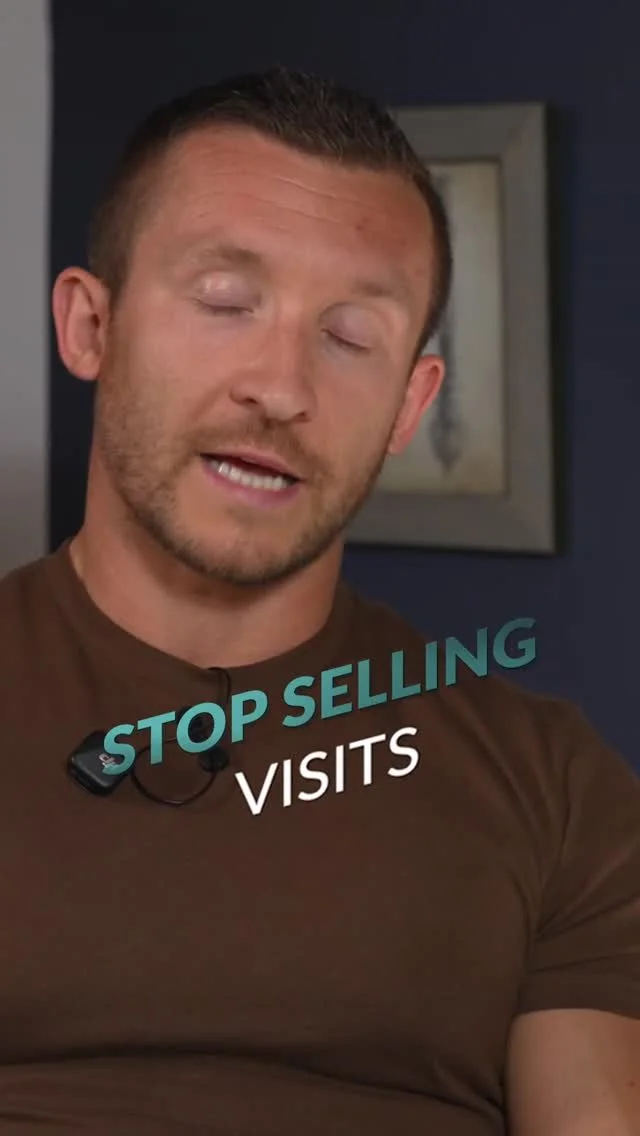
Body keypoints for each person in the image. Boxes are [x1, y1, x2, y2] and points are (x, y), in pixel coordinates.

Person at [0, 66, 638, 1136]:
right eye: (225, 302)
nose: (282, 387)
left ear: (408, 407)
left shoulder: (555, 785)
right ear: (89, 326)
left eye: (348, 338)